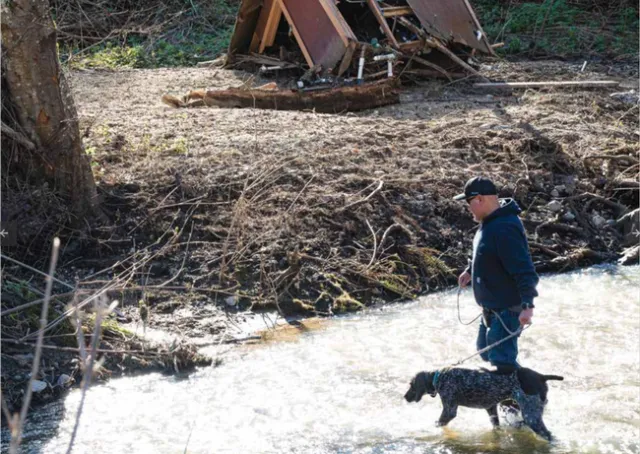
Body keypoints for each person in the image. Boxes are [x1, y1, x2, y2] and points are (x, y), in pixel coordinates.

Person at [454, 176, 539, 375]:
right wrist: (470, 270)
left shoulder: (505, 227)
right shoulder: (489, 222)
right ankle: (520, 394)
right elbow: (486, 252)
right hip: (491, 307)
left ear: (479, 199)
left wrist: (527, 305)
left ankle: (525, 400)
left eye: (468, 203)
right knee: (485, 353)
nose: (468, 209)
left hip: (507, 310)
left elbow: (524, 270)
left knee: (502, 362)